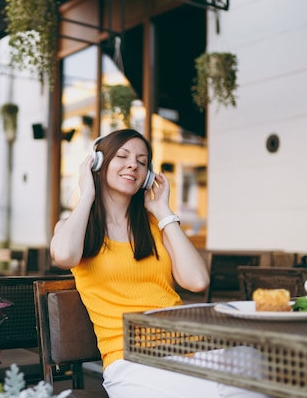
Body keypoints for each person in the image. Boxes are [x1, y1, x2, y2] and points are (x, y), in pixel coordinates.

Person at [50, 129, 270, 398]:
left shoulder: (156, 226)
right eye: (122, 156)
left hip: (188, 347)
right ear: (97, 163)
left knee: (252, 360)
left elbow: (198, 281)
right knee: (232, 390)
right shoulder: (78, 228)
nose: (133, 164)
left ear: (148, 176)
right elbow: (63, 256)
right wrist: (87, 194)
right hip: (131, 360)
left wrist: (164, 212)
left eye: (142, 162)